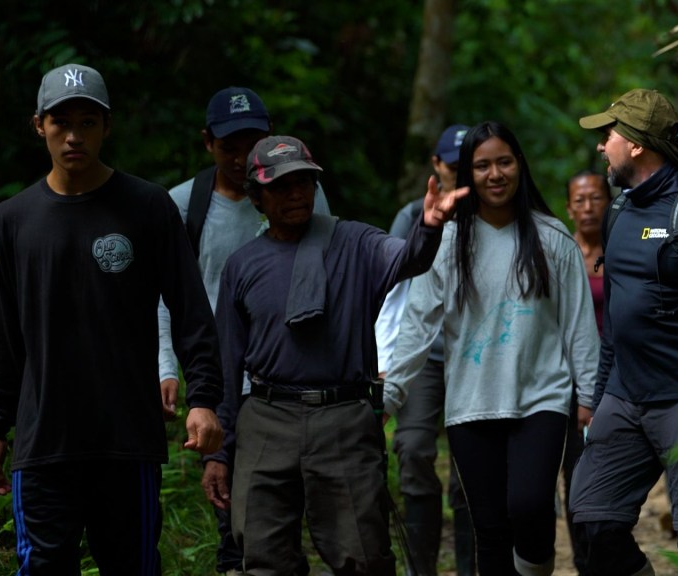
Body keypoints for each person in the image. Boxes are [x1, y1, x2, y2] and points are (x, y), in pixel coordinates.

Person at [0, 62, 224, 575]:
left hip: (126, 439)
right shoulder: (13, 220)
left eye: (87, 122)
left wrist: (203, 398)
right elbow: (1, 338)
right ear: (39, 125)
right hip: (44, 441)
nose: (73, 136)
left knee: (132, 566)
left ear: (106, 127)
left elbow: (191, 311)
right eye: (60, 122)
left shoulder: (148, 207)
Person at [213, 134, 466, 576]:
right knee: (263, 555)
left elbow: (407, 258)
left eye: (304, 183)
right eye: (281, 185)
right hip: (266, 418)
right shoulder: (242, 264)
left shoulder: (354, 242)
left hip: (343, 417)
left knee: (362, 555)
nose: (296, 193)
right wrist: (219, 453)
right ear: (256, 197)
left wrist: (429, 227)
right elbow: (228, 365)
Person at [383, 121, 600, 575]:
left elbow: (579, 324)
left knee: (528, 506)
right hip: (472, 404)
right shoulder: (447, 241)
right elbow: (418, 324)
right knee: (490, 527)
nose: (495, 174)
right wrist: (392, 393)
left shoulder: (552, 237)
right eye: (482, 166)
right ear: (467, 174)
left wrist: (589, 399)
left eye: (504, 162)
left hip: (540, 400)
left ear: (519, 165)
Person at [156, 86, 330, 576]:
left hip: (294, 377)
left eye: (251, 143)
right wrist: (168, 366)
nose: (239, 158)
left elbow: (330, 278)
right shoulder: (183, 205)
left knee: (287, 510)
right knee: (231, 506)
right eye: (228, 146)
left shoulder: (303, 197)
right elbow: (167, 297)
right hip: (222, 383)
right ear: (208, 142)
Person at [567, 89, 678, 576]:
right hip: (623, 397)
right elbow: (616, 321)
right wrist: (601, 398)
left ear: (638, 145)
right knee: (592, 521)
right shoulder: (618, 211)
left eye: (609, 135)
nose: (602, 146)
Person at [374, 123, 476, 576]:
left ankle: (473, 565)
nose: (459, 173)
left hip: (475, 359)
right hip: (423, 359)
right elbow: (391, 290)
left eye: (466, 165)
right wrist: (383, 361)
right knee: (413, 450)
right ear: (437, 166)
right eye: (452, 166)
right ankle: (422, 569)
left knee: (469, 471)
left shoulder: (490, 211)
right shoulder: (413, 214)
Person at [559, 169, 612, 575]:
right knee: (575, 476)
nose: (588, 207)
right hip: (571, 382)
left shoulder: (621, 247)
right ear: (569, 207)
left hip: (619, 375)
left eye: (596, 198)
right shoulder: (560, 253)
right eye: (580, 200)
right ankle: (584, 563)